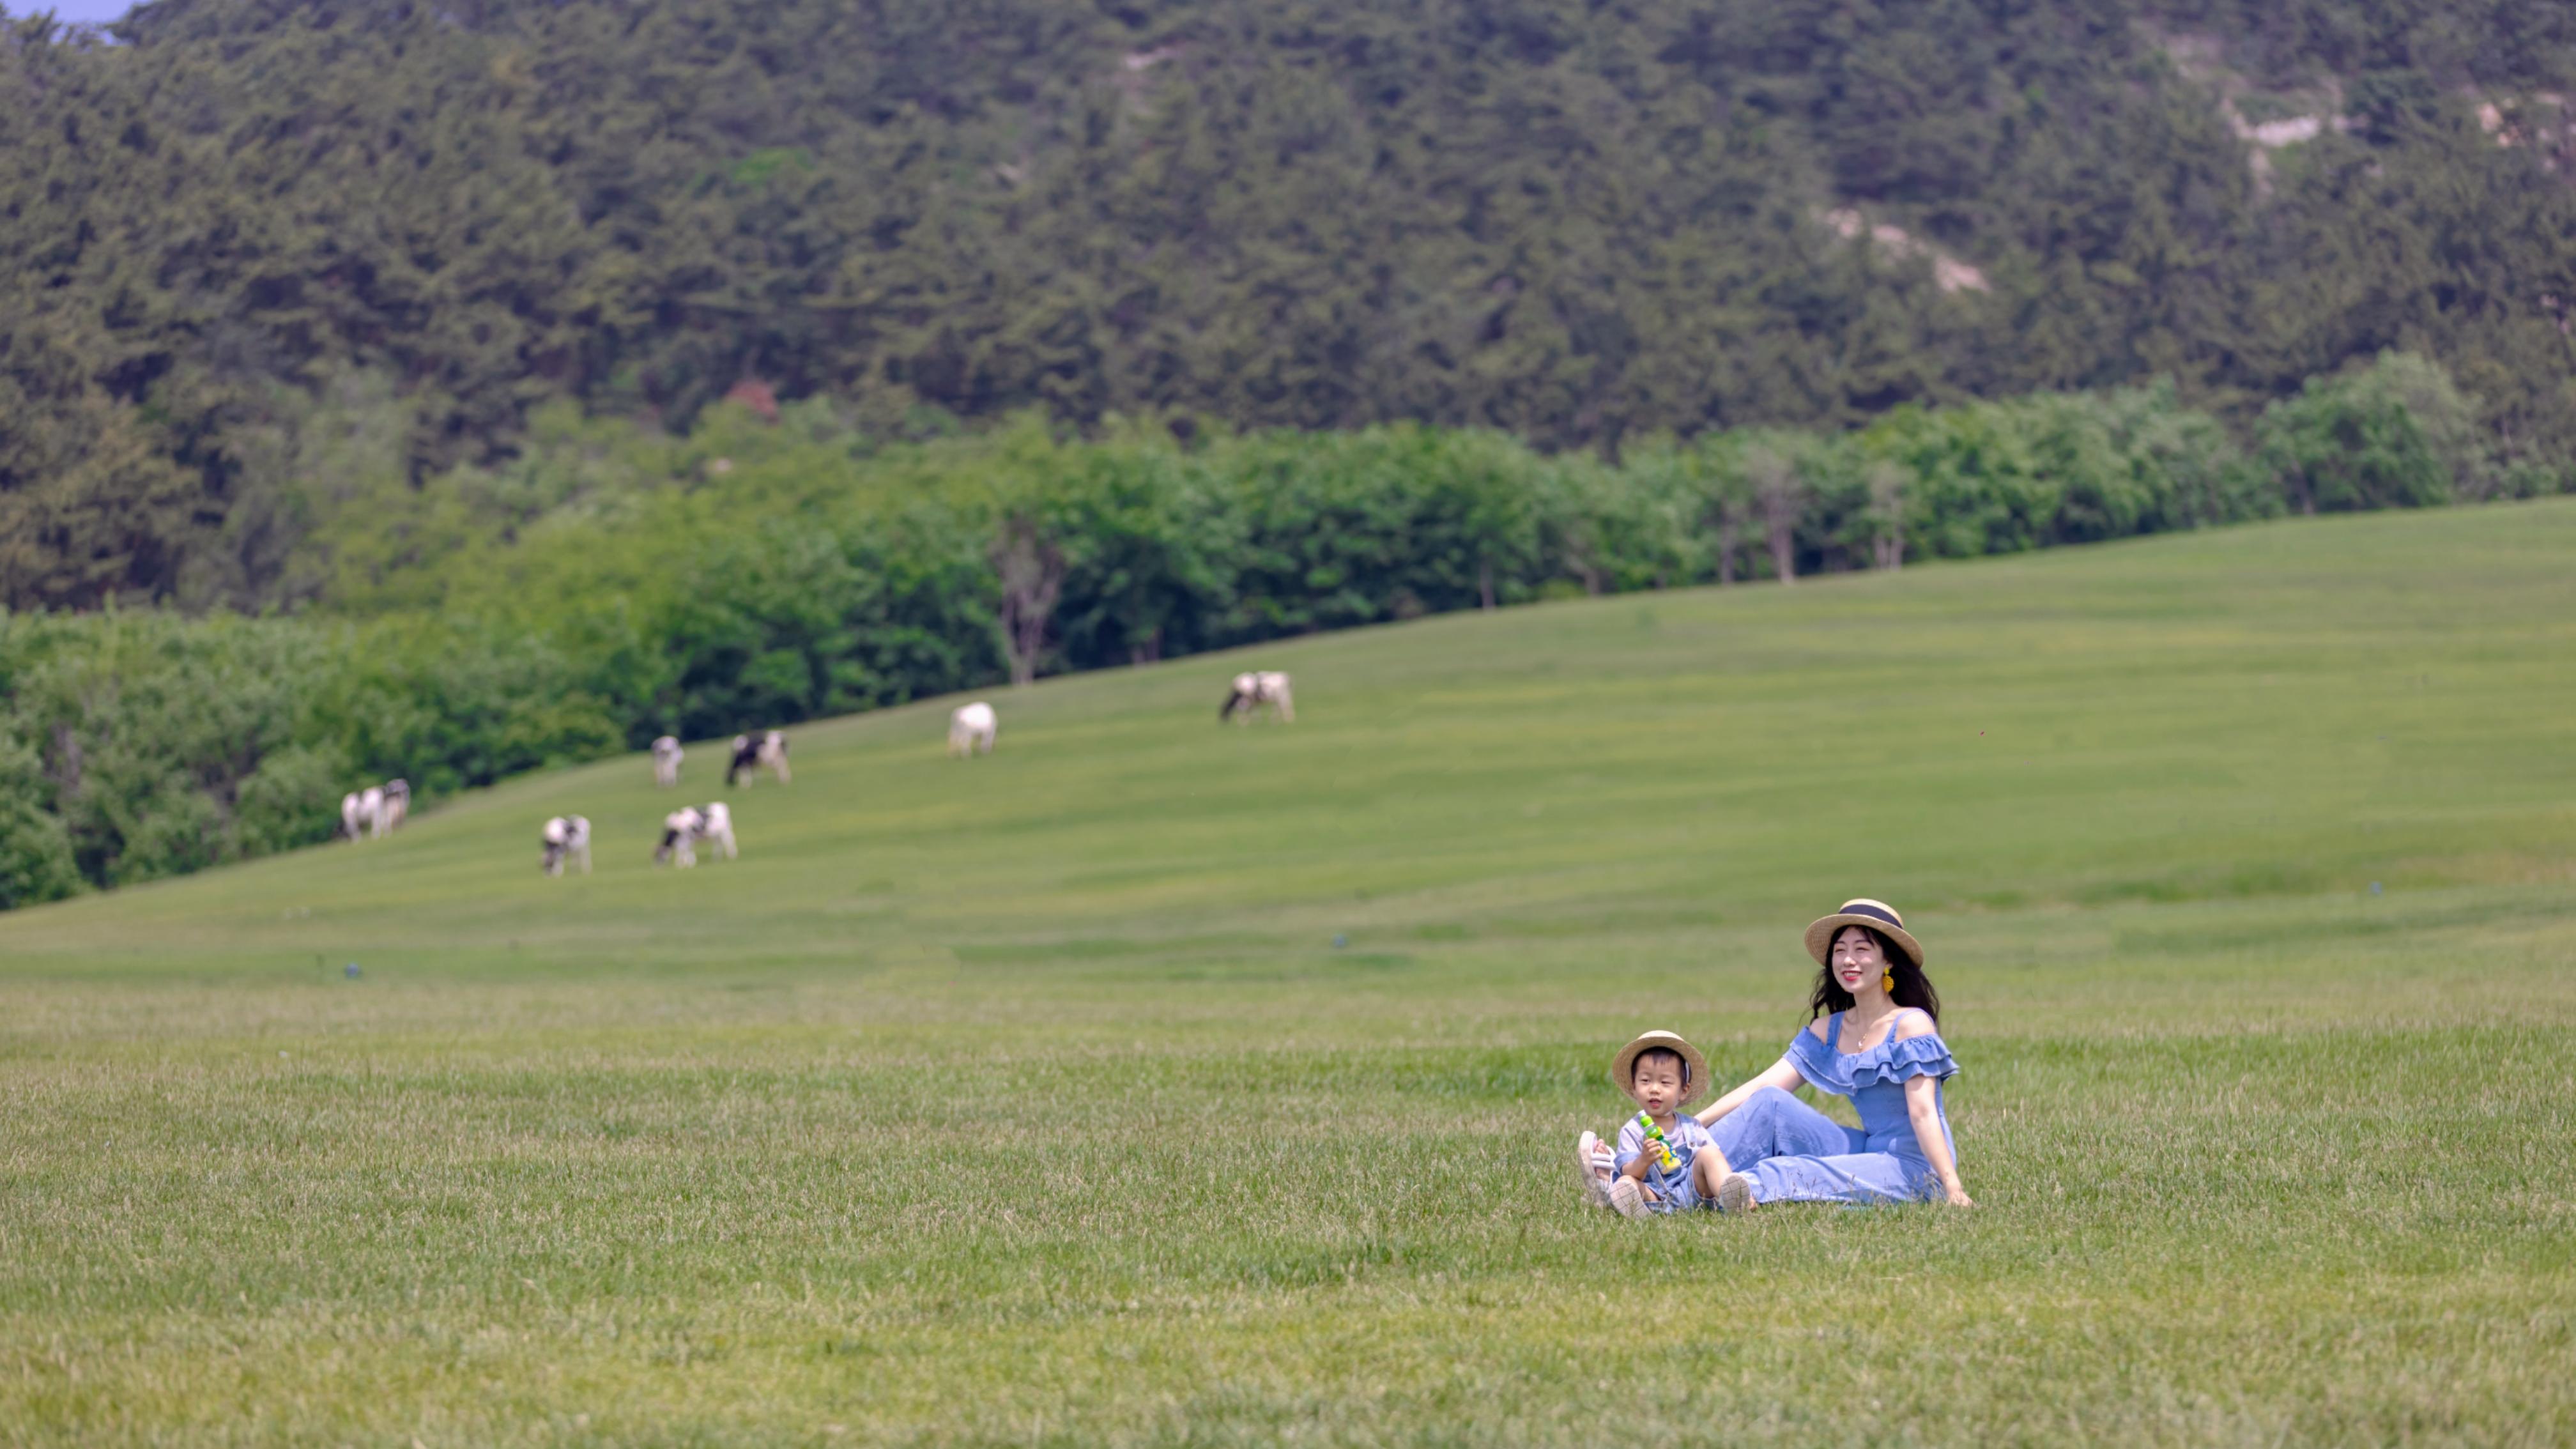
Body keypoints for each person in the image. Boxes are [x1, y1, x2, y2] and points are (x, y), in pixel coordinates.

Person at [1577, 898, 1971, 1210]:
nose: (1848, 960)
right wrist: (1686, 1126)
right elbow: (1764, 1085)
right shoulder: (1829, 1029)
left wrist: (1951, 1187)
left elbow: (1922, 1113)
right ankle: (1632, 1174)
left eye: (1863, 949)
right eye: (1840, 950)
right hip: (1867, 1149)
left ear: (1888, 960)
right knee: (1770, 1105)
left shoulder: (1911, 1024)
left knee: (1785, 1171)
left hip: (1917, 1168)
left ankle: (1668, 1200)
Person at [1579, 1031, 1742, 1218]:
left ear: (1683, 1090)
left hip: (1695, 1191)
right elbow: (1631, 1171)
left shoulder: (1692, 1127)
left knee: (1710, 1154)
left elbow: (1714, 1161)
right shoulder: (1632, 1131)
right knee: (1627, 1182)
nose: (1655, 1089)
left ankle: (1733, 1200)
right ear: (1634, 1086)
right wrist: (1644, 1160)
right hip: (1655, 1194)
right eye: (1646, 1081)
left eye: (1665, 1082)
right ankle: (1639, 1210)